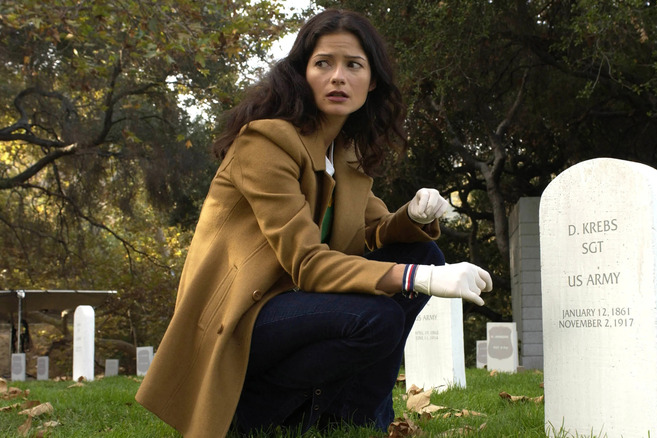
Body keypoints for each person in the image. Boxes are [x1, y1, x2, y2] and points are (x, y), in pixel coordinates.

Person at [135, 9, 492, 438]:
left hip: (299, 305)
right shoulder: (266, 143)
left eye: (353, 65)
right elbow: (308, 263)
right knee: (377, 316)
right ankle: (250, 416)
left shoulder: (345, 155)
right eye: (323, 63)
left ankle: (352, 423)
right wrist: (423, 279)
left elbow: (372, 234)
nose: (338, 77)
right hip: (246, 318)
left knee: (422, 250)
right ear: (303, 72)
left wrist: (413, 216)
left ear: (372, 80)